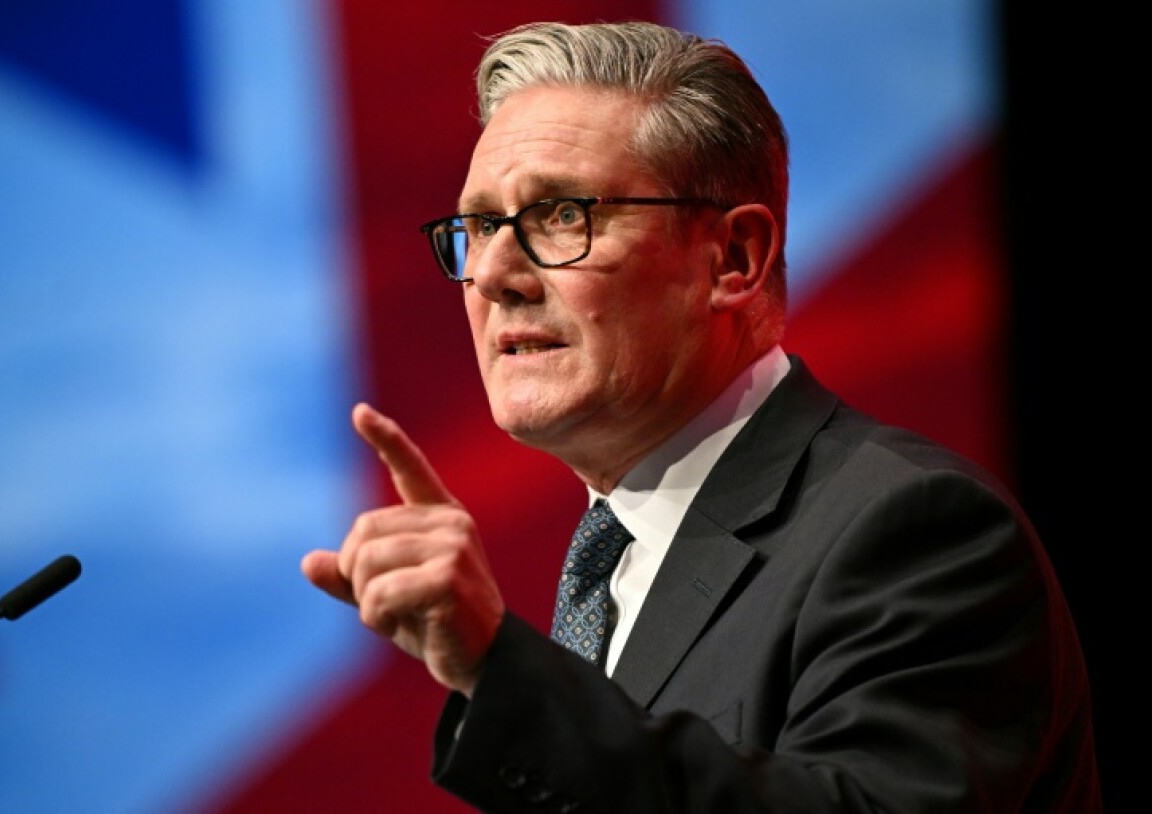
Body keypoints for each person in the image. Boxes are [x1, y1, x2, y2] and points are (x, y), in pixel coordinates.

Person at [301, 20, 1101, 813]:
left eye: (561, 216)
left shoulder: (915, 532)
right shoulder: (611, 564)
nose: (497, 273)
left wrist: (503, 672)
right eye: (480, 227)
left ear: (734, 259)